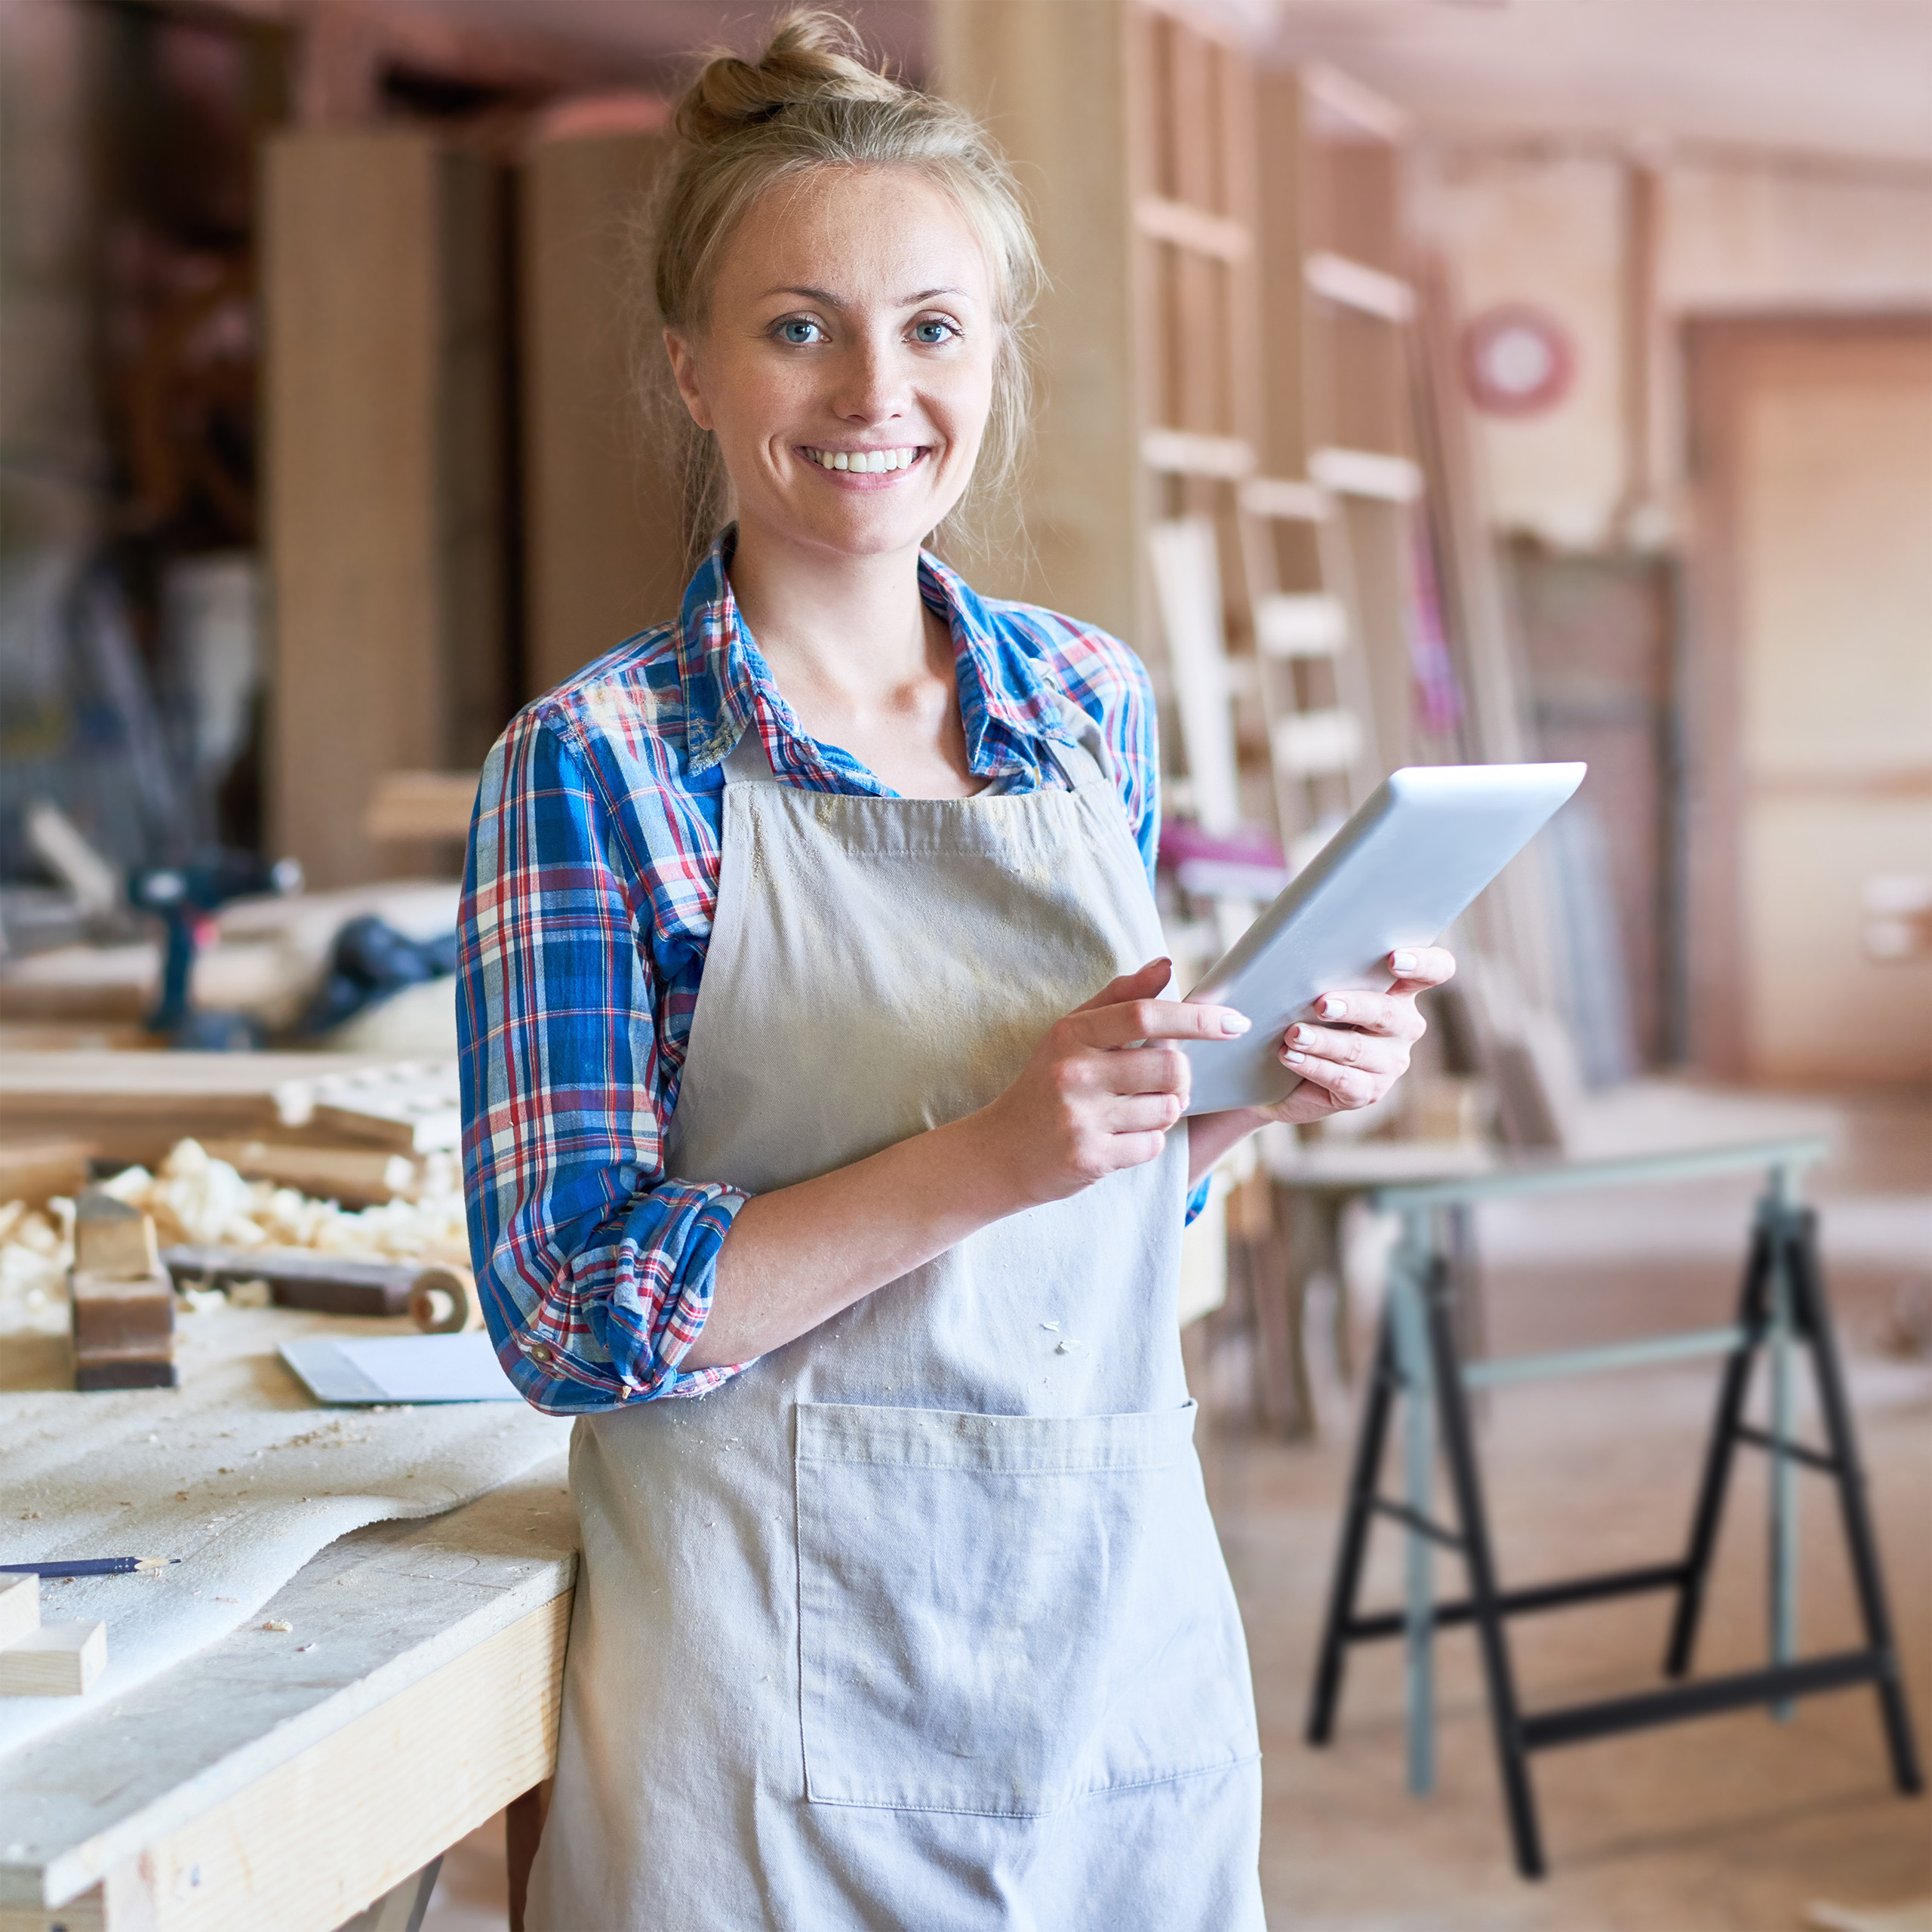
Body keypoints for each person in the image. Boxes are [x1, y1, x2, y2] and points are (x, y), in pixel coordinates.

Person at [457, 14, 1453, 1927]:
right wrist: (993, 1150)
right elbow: (568, 1313)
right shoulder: (595, 767)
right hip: (764, 1699)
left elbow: (1083, 1213)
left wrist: (1243, 1091)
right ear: (689, 365)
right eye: (798, 325)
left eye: (933, 326)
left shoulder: (1083, 701)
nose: (875, 390)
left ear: (993, 354)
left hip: (1106, 1649)